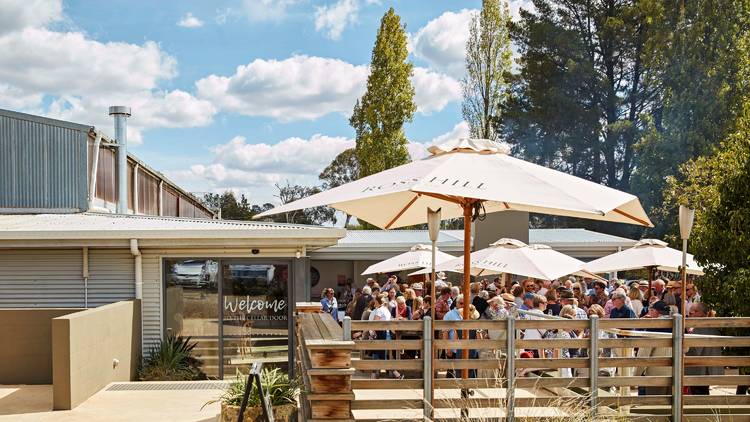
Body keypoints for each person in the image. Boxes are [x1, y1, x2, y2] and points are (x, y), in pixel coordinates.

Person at [635, 300, 672, 395]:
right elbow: (686, 348)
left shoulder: (653, 326)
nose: (649, 313)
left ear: (656, 312)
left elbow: (643, 354)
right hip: (676, 371)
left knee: (653, 404)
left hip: (656, 372)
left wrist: (636, 375)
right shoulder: (678, 324)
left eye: (651, 310)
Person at [686, 302, 723, 395]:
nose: (688, 316)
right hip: (709, 368)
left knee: (699, 394)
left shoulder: (700, 327)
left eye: (691, 313)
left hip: (700, 370)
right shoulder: (712, 325)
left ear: (700, 313)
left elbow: (694, 350)